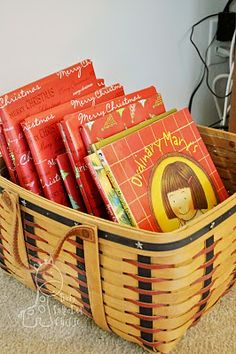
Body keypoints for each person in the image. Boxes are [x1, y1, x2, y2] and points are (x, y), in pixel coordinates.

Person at [161, 161, 208, 227]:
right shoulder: (181, 226)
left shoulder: (204, 220)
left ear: (195, 191)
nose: (180, 205)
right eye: (174, 201)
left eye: (184, 198)